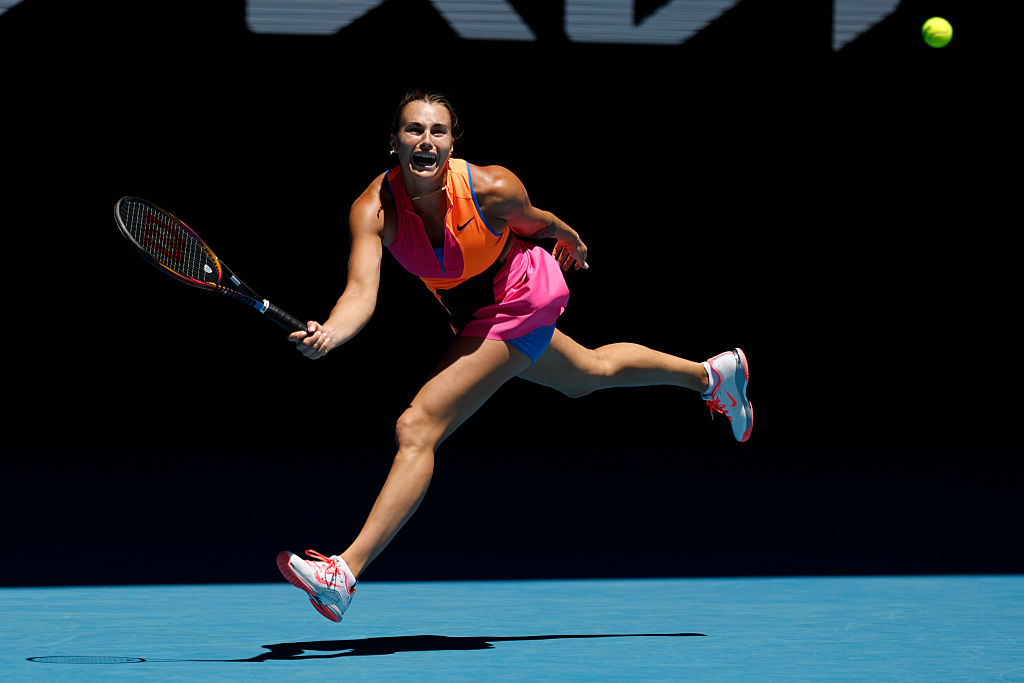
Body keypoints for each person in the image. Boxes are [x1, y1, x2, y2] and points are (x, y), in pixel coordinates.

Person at [276, 90, 753, 623]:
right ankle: (712, 376)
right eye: (413, 130)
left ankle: (344, 572)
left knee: (418, 425)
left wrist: (570, 238)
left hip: (522, 295)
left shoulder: (491, 186)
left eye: (438, 131)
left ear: (453, 142)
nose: (426, 141)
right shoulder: (373, 209)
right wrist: (330, 333)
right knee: (587, 373)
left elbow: (538, 221)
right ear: (394, 141)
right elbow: (361, 293)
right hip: (477, 315)